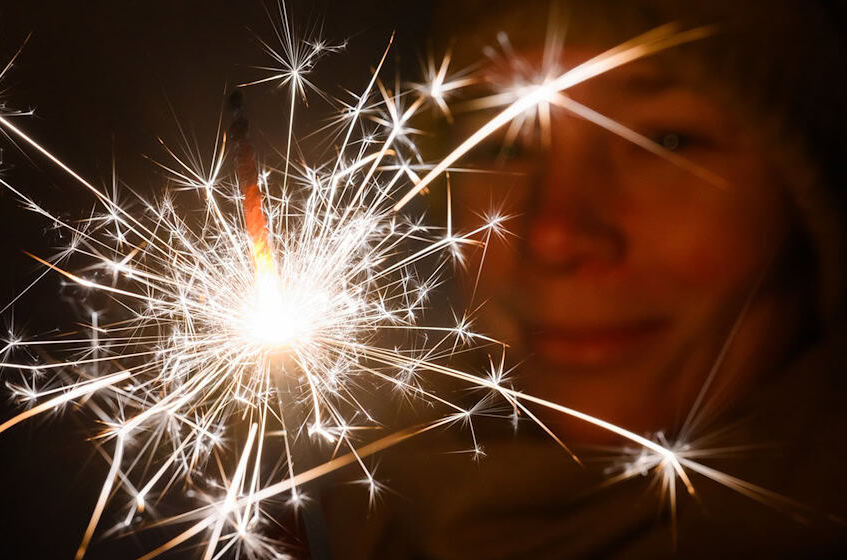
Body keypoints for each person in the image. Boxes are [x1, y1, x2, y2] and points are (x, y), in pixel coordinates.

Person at [323, 0, 847, 557]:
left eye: (665, 140)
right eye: (503, 145)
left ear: (807, 205)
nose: (554, 235)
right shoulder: (357, 512)